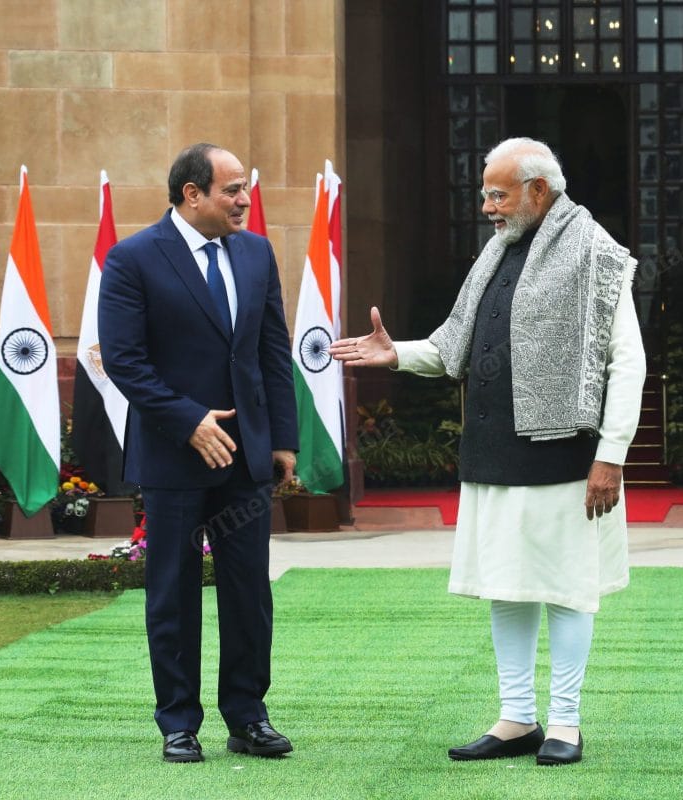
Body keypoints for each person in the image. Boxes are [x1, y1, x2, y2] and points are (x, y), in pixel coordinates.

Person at [332, 137, 646, 766]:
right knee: (507, 583)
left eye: (497, 195)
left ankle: (565, 723)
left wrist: (611, 455)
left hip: (566, 457)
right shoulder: (497, 252)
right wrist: (397, 354)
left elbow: (627, 363)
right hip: (494, 450)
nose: (487, 207)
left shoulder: (597, 253)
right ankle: (517, 718)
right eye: (485, 195)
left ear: (538, 190)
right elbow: (456, 347)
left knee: (566, 588)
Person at [99, 143, 299, 764]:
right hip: (173, 458)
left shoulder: (256, 253)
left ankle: (249, 716)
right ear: (192, 194)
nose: (244, 200)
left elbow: (272, 351)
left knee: (248, 591)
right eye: (232, 189)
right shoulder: (132, 258)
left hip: (245, 459)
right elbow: (125, 361)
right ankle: (179, 723)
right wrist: (189, 422)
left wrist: (283, 439)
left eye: (246, 188)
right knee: (173, 591)